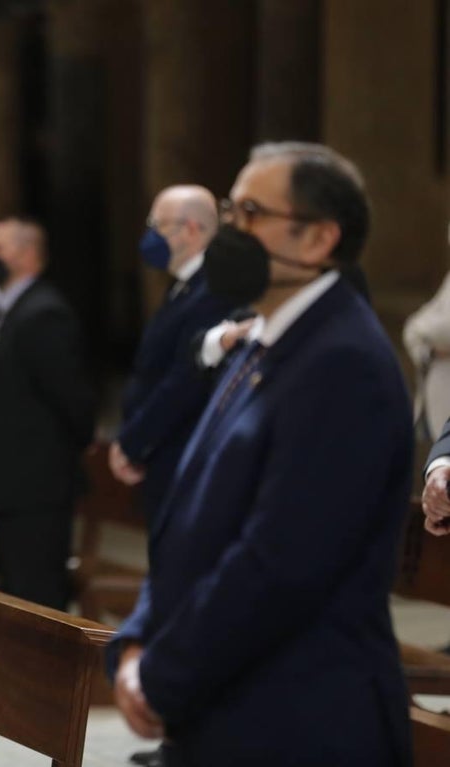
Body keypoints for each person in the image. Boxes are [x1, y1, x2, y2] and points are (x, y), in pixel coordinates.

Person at [110, 142, 414, 766]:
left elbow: (280, 560)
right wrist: (138, 642)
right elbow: (190, 518)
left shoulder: (344, 362)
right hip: (229, 706)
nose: (232, 230)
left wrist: (162, 673)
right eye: (231, 208)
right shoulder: (258, 345)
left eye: (251, 213)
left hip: (300, 723)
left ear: (318, 239)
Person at [0, 217, 93, 609]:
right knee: (17, 589)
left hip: (36, 484)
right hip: (13, 483)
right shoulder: (9, 309)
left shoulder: (42, 314)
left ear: (29, 255)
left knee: (37, 592)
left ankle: (44, 671)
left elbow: (73, 398)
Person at [110, 186, 234, 528]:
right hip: (163, 454)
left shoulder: (213, 289)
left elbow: (185, 379)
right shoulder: (185, 284)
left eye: (157, 225)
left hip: (183, 455)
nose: (150, 236)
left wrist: (135, 442)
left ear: (191, 229)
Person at [404, 258, 450, 440]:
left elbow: (444, 329)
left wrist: (426, 332)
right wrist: (431, 350)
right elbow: (412, 329)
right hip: (440, 408)